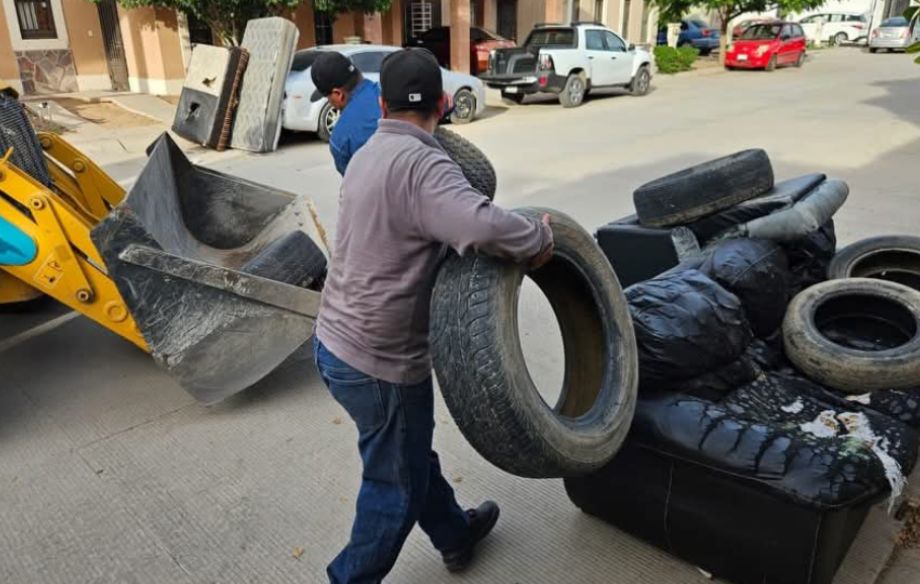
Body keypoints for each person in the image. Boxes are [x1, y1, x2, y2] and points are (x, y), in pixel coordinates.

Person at [313, 47, 554, 584]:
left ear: (381, 105)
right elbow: (484, 227)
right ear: (444, 104)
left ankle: (454, 533)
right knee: (393, 487)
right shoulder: (424, 165)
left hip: (332, 342)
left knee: (406, 453)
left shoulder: (366, 151)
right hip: (377, 361)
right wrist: (539, 236)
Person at [310, 51, 381, 176]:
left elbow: (354, 188)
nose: (330, 103)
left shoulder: (341, 139)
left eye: (328, 98)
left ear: (338, 94)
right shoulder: (392, 92)